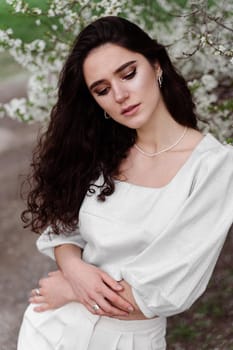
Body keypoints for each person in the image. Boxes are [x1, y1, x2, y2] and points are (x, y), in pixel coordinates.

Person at [17, 16, 233, 350]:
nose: (119, 95)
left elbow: (159, 296)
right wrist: (74, 267)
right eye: (102, 90)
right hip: (50, 330)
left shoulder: (214, 167)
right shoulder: (102, 150)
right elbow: (63, 229)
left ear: (156, 66)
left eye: (128, 74)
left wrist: (72, 289)